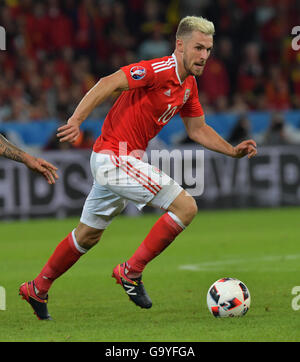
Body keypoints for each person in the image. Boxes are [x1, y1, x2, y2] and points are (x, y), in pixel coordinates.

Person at [19, 16, 257, 320]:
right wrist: (77, 119)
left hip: (123, 159)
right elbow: (109, 82)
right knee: (186, 208)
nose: (204, 56)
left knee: (88, 236)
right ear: (180, 45)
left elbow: (198, 130)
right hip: (114, 156)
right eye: (198, 48)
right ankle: (130, 272)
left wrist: (232, 151)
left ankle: (37, 288)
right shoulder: (158, 70)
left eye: (208, 49)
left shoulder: (189, 86)